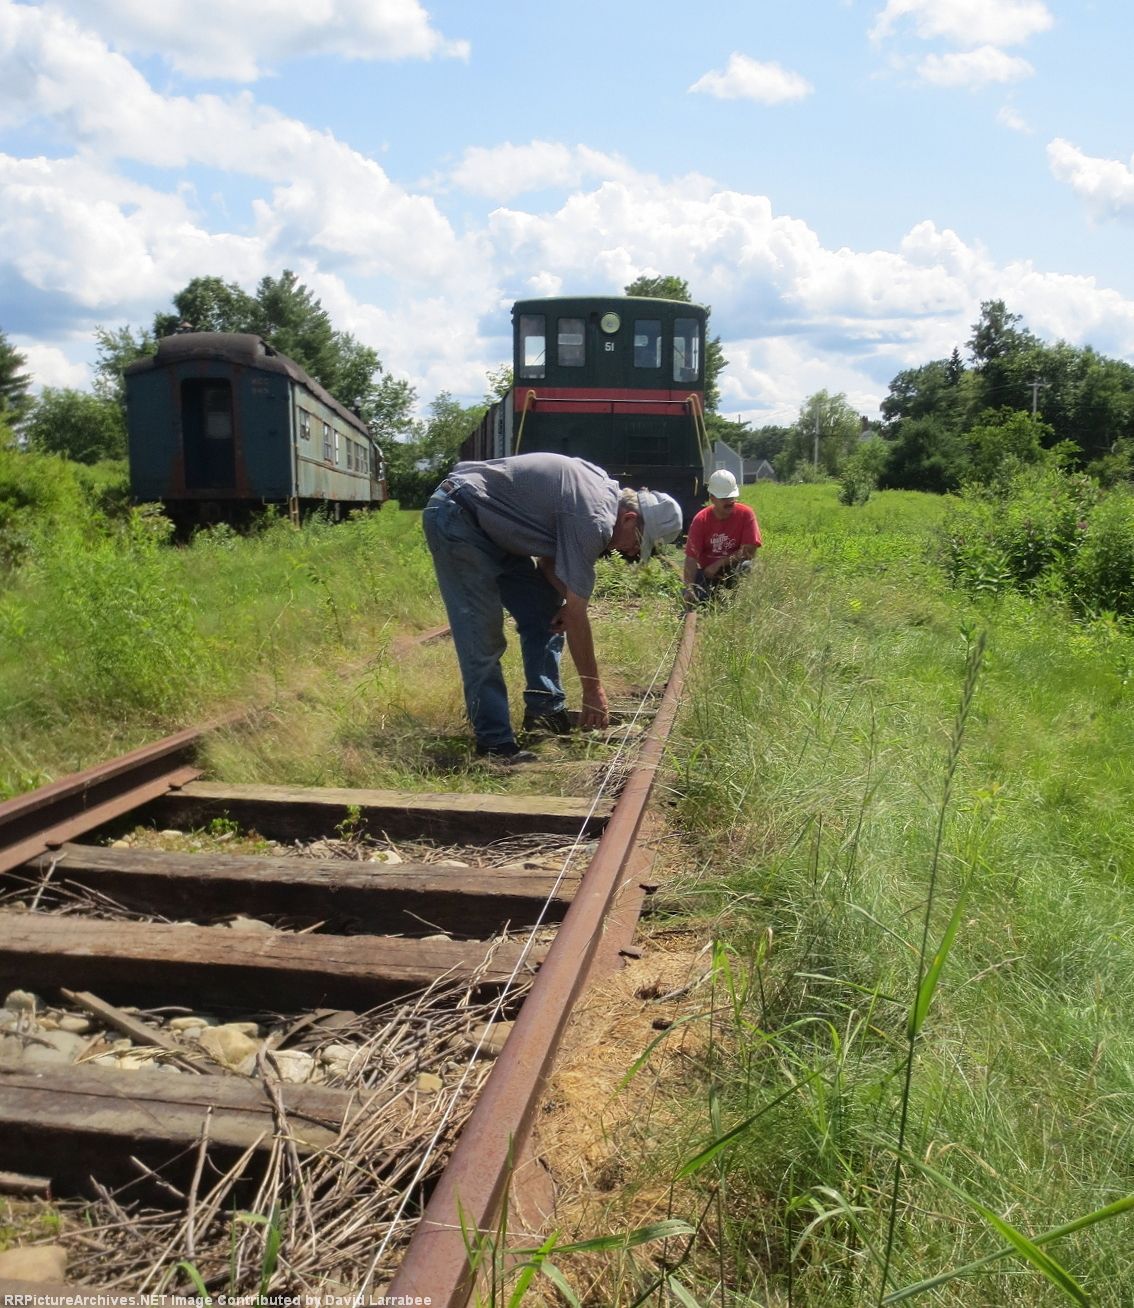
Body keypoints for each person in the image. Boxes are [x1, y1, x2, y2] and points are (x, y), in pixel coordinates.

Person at [423, 452, 682, 763]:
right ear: (629, 518)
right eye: (640, 542)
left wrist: (569, 603)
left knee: (544, 611)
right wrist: (593, 690)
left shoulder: (601, 494)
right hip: (460, 516)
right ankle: (494, 744)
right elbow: (578, 616)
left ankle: (544, 711)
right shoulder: (594, 521)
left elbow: (548, 563)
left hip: (493, 525)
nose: (633, 551)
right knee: (483, 637)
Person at [683, 468, 762, 607]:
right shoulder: (701, 520)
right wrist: (689, 588)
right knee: (699, 598)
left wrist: (719, 563)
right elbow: (691, 557)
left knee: (748, 566)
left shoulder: (746, 514)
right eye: (724, 498)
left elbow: (749, 551)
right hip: (708, 573)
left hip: (734, 570)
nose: (729, 501)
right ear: (712, 498)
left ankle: (742, 604)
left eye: (732, 497)